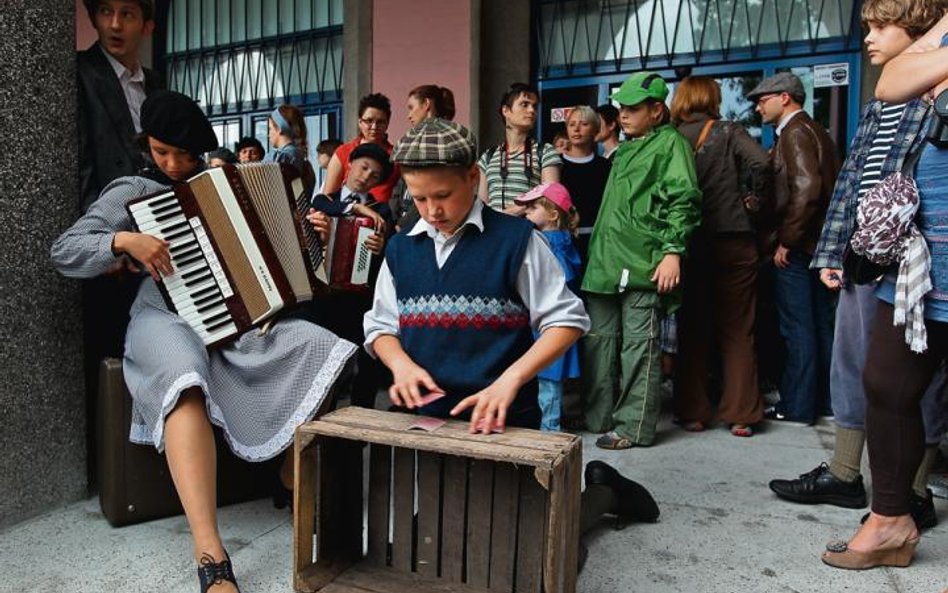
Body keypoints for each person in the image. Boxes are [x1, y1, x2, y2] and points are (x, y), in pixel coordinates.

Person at [50, 91, 357, 592]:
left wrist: (312, 231)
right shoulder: (130, 189)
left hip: (231, 323)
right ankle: (210, 552)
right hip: (161, 317)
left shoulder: (222, 183)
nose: (172, 164)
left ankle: (286, 469)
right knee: (184, 377)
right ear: (144, 143)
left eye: (185, 155)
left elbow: (285, 257)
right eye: (162, 151)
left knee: (318, 343)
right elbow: (65, 251)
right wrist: (123, 240)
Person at [364, 117, 659, 552]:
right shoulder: (401, 249)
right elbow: (380, 326)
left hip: (503, 425)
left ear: (473, 177)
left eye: (443, 196)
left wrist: (509, 381)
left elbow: (567, 320)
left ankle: (606, 494)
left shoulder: (516, 240)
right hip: (432, 427)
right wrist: (400, 363)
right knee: (429, 546)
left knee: (529, 550)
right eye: (421, 197)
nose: (432, 211)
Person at [770, 0, 948, 532]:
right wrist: (833, 253)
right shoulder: (878, 105)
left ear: (917, 32)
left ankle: (913, 489)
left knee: (918, 376)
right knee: (853, 363)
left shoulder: (929, 95)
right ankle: (846, 471)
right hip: (865, 256)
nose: (869, 37)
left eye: (880, 26)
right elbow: (848, 186)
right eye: (866, 26)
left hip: (916, 257)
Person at [820, 10, 948, 570]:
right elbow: (896, 81)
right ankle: (891, 518)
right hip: (923, 252)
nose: (869, 37)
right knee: (884, 379)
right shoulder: (940, 34)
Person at [582, 72, 702, 450]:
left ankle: (633, 427)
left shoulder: (671, 145)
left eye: (633, 108)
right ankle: (597, 417)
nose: (623, 114)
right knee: (598, 342)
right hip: (605, 263)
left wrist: (672, 252)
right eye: (621, 107)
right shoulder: (628, 146)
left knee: (638, 346)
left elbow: (684, 200)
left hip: (643, 261)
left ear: (656, 110)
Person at [669, 76, 773, 437]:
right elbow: (761, 162)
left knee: (693, 328)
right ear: (713, 98)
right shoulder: (729, 130)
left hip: (693, 241)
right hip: (735, 238)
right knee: (738, 328)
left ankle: (694, 412)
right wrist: (753, 202)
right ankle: (741, 414)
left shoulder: (671, 137)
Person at [746, 72, 840, 425]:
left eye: (763, 98)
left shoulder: (795, 132)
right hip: (816, 245)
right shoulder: (814, 130)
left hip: (799, 247)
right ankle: (826, 402)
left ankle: (798, 406)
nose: (757, 106)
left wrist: (787, 240)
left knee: (796, 328)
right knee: (818, 326)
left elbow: (806, 189)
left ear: (785, 97)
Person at [306, 143, 394, 411]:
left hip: (359, 299)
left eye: (375, 175)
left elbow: (386, 256)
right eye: (363, 167)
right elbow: (321, 207)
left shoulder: (382, 211)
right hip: (325, 297)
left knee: (364, 366)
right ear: (349, 166)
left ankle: (361, 420)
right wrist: (356, 210)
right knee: (324, 365)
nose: (366, 176)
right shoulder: (325, 200)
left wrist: (381, 247)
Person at [78, 0, 161, 212]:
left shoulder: (155, 83)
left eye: (127, 14)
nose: (115, 25)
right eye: (105, 11)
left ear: (147, 27)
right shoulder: (80, 73)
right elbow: (81, 167)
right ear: (94, 19)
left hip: (157, 211)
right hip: (108, 218)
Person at [514, 182, 582, 431]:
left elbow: (558, 278)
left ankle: (549, 436)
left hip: (549, 326)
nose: (526, 212)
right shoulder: (556, 240)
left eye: (533, 207)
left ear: (553, 214)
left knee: (548, 386)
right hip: (545, 325)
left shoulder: (553, 243)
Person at [477, 83, 561, 213]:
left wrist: (514, 212)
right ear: (505, 110)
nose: (532, 110)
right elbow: (482, 204)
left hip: (528, 230)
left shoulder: (545, 151)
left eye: (534, 106)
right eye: (524, 104)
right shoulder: (488, 156)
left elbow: (551, 199)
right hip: (494, 231)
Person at [394, 85, 457, 229]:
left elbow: (431, 189)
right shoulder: (412, 139)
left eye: (411, 107)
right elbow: (400, 187)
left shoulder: (444, 140)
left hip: (426, 224)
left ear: (427, 104)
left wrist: (403, 224)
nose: (408, 115)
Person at [322, 92, 400, 204]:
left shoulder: (396, 157)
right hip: (343, 216)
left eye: (380, 122)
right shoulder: (343, 152)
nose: (374, 127)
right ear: (360, 122)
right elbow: (327, 198)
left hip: (381, 218)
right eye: (369, 121)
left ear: (387, 123)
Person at [559, 105, 611, 261]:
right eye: (572, 124)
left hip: (597, 241)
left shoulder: (605, 166)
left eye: (583, 124)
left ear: (595, 129)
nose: (576, 129)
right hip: (564, 239)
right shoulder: (556, 165)